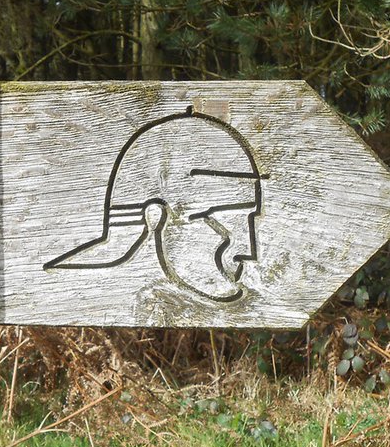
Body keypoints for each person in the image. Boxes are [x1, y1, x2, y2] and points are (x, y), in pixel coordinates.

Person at [45, 106, 263, 302]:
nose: (249, 251)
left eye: (248, 221)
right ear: (156, 218)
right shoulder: (92, 299)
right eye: (217, 221)